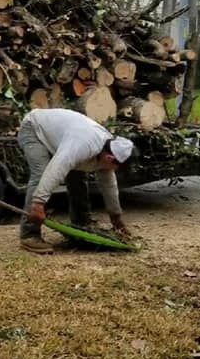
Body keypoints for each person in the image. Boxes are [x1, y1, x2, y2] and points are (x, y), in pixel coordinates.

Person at [17, 108, 136, 254]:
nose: (114, 171)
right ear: (109, 159)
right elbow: (57, 169)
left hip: (62, 138)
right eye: (116, 167)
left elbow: (109, 185)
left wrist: (116, 218)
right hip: (34, 129)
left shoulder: (108, 149)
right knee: (41, 174)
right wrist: (38, 203)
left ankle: (81, 223)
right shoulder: (84, 145)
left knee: (78, 176)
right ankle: (29, 234)